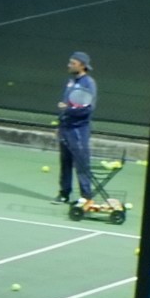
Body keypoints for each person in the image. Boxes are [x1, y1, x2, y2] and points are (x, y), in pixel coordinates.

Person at [57, 50, 99, 208]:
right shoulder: (71, 81)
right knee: (65, 162)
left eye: (73, 63)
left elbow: (87, 109)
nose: (69, 65)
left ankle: (86, 196)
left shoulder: (89, 83)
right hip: (65, 128)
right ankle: (64, 193)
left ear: (82, 66)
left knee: (81, 163)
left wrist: (67, 109)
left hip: (79, 130)